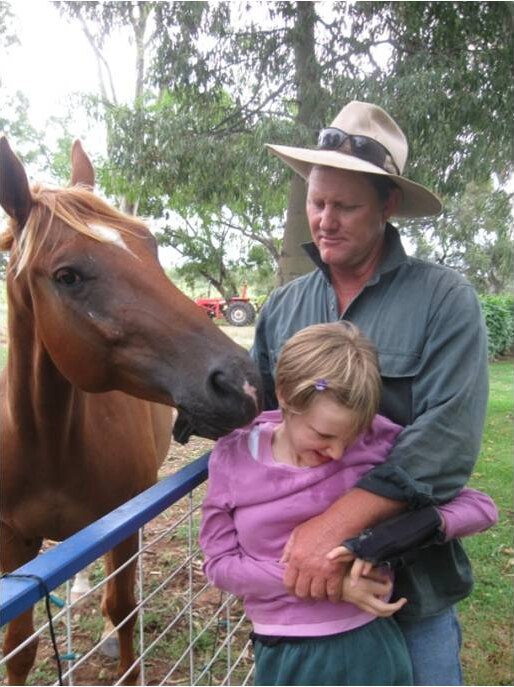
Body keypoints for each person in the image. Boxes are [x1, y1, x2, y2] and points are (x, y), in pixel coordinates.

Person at [251, 100, 490, 685]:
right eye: (317, 202)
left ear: (387, 206)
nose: (325, 220)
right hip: (305, 596)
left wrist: (328, 527)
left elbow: (448, 443)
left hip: (409, 589)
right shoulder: (284, 306)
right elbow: (259, 424)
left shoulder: (444, 300)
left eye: (345, 206)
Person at [200, 323, 497, 686]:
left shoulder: (377, 440)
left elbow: (479, 506)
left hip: (371, 646)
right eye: (323, 435)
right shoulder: (233, 458)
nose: (338, 452)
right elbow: (220, 565)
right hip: (286, 653)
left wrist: (393, 537)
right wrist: (333, 584)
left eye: (351, 436)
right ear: (285, 396)